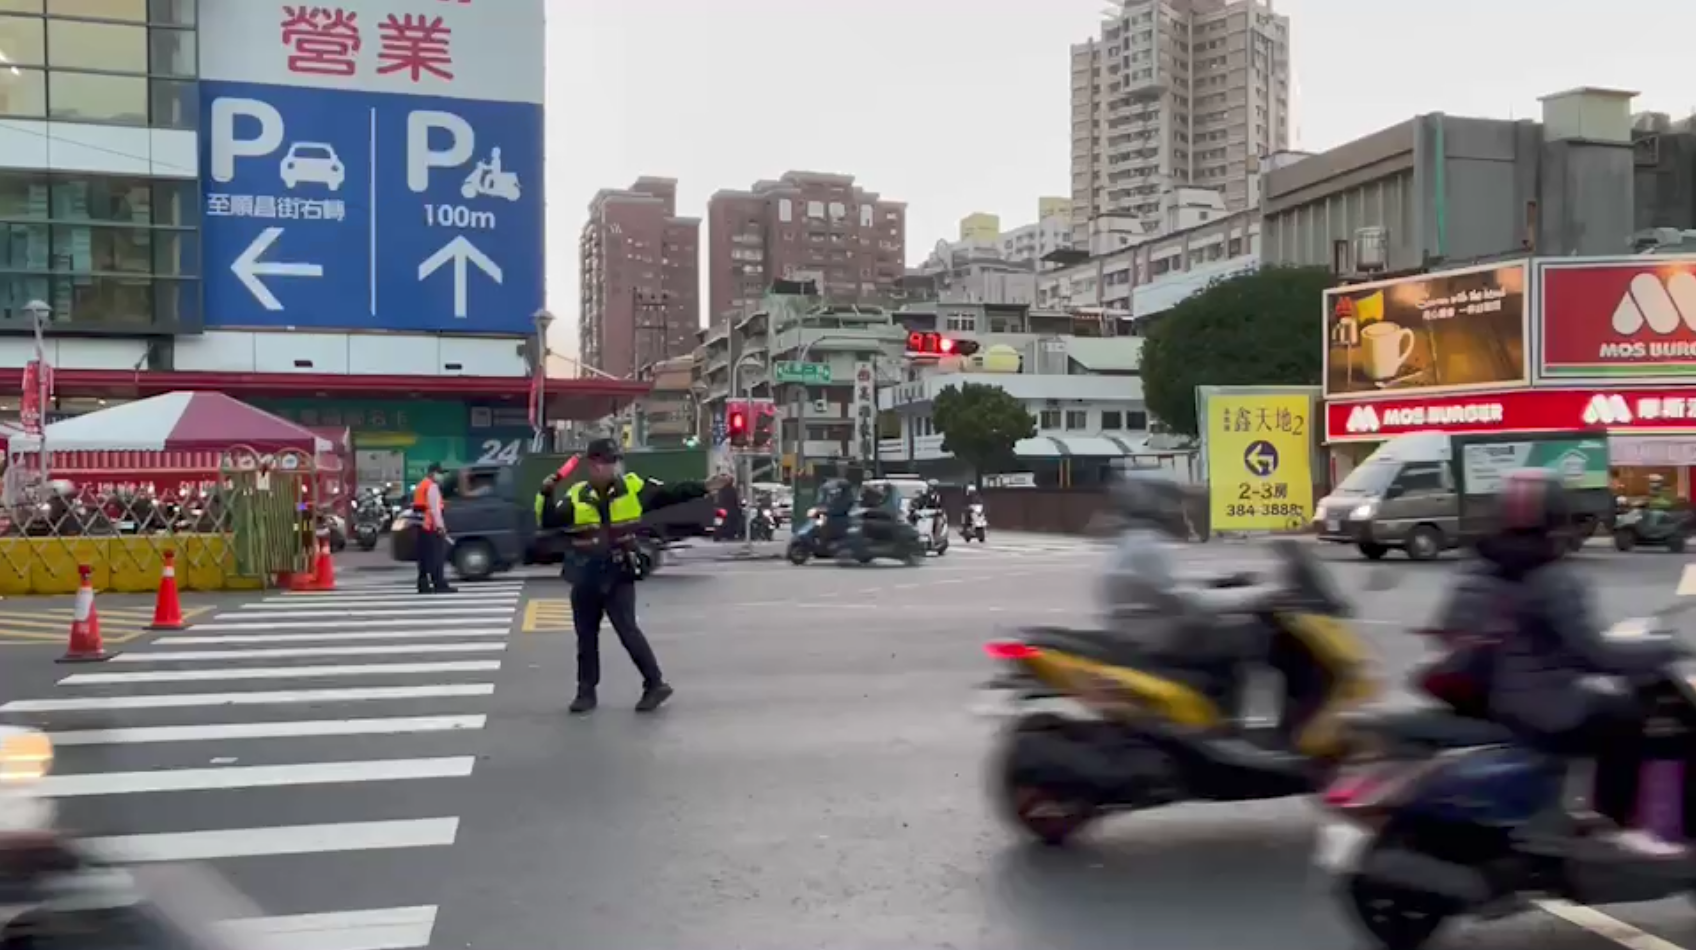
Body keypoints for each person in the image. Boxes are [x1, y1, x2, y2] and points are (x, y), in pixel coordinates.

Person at [1443, 468, 1686, 858]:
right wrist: (1668, 649)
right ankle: (1621, 824)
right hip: (1543, 707)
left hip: (1493, 695)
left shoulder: (1482, 566)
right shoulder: (1554, 577)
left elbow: (1456, 626)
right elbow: (1594, 654)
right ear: (1557, 518)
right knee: (1629, 717)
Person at [538, 438, 732, 713]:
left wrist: (704, 486)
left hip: (618, 572)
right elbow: (548, 521)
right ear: (592, 465)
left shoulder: (632, 487)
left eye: (613, 462)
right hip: (585, 573)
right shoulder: (577, 495)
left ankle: (655, 684)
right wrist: (545, 494)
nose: (610, 467)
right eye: (604, 462)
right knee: (586, 638)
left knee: (628, 631)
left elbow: (669, 492)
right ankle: (586, 693)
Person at [411, 463, 454, 594]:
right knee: (436, 557)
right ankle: (439, 584)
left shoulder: (421, 485)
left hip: (421, 526)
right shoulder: (432, 486)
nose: (441, 476)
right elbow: (435, 510)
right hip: (431, 527)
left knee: (424, 558)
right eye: (439, 473)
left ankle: (423, 584)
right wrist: (441, 527)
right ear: (432, 473)